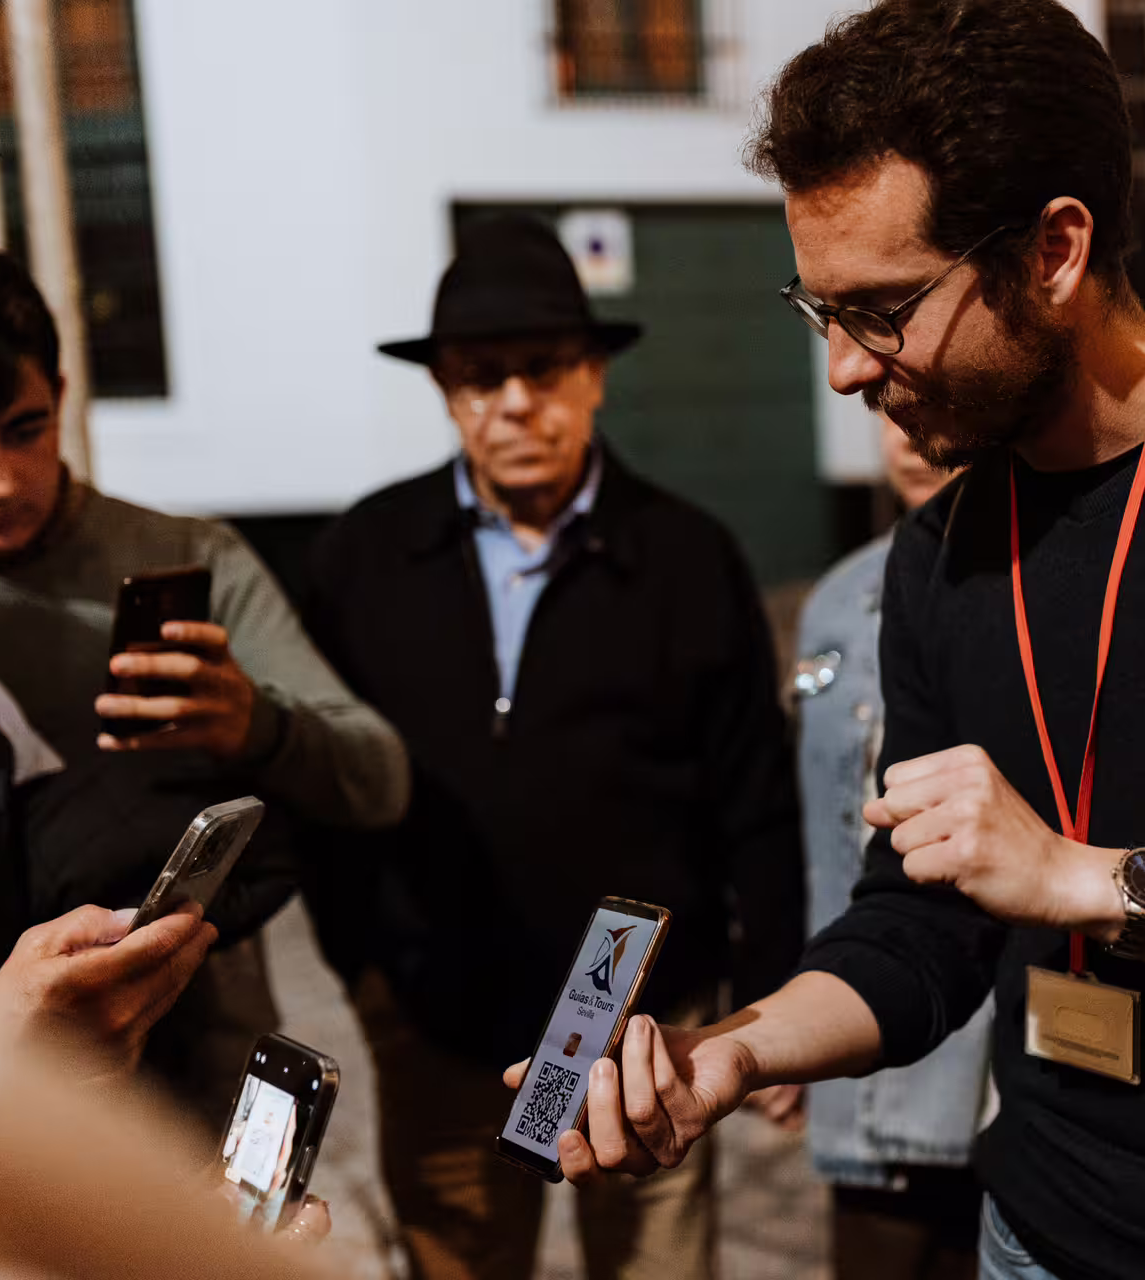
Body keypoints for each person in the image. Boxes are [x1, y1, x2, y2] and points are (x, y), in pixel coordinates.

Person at [510, 3, 1145, 1279]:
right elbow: (920, 928)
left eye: (884, 307)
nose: (845, 369)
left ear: (1057, 248)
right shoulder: (941, 551)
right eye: (819, 309)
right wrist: (730, 1054)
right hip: (1040, 1242)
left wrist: (1087, 878)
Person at [301, 214, 805, 1280]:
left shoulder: (686, 554)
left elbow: (756, 796)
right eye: (482, 376)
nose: (516, 401)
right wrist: (371, 971)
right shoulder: (364, 554)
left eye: (542, 366)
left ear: (594, 376)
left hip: (645, 1031)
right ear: (446, 390)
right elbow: (323, 780)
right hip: (442, 1021)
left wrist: (766, 998)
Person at [0, 236, 410, 1131]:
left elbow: (379, 777)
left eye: (23, 430)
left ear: (63, 398)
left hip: (199, 1060)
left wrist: (254, 725)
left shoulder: (188, 557)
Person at [797, 418, 987, 1280]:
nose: (912, 435)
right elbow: (812, 835)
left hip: (996, 1063)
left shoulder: (1045, 586)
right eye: (886, 412)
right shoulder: (836, 599)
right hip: (866, 1035)